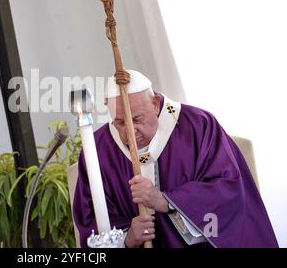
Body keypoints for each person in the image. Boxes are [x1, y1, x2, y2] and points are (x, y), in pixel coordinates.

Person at [73, 70, 278, 248]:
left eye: (137, 119)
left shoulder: (199, 126)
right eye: (119, 122)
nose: (129, 132)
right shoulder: (99, 149)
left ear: (154, 104)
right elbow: (91, 221)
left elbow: (229, 193)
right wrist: (127, 239)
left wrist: (167, 201)